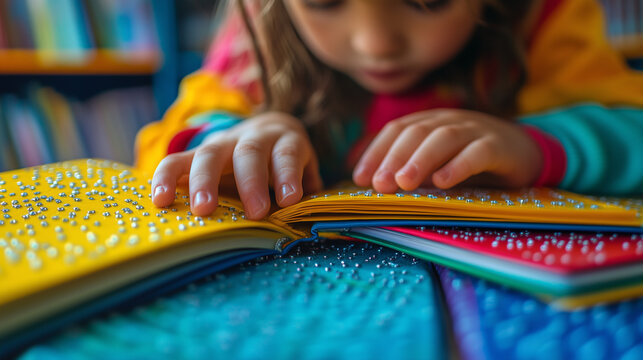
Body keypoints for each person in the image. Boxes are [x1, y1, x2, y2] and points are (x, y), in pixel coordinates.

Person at [136, 0, 643, 220]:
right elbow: (172, 137)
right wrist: (235, 136)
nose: (376, 44)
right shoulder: (262, 23)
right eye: (325, 0)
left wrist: (535, 147)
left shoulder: (542, 16)